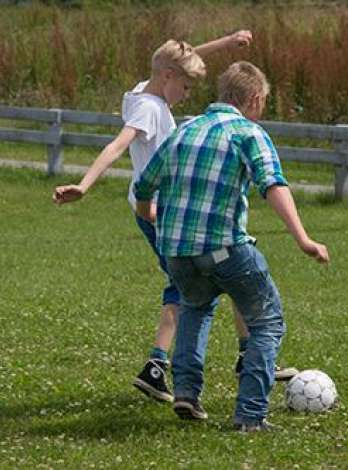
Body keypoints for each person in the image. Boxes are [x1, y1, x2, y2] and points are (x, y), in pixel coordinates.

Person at [52, 34, 297, 404]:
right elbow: (117, 145)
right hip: (158, 211)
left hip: (166, 209)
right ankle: (164, 365)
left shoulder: (140, 91)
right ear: (166, 77)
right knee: (202, 280)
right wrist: (84, 185)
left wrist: (228, 42)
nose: (186, 95)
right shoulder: (148, 109)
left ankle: (233, 355)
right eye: (184, 86)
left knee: (219, 269)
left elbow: (181, 57)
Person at [134, 61, 329, 432]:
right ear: (254, 98)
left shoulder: (184, 130)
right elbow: (273, 185)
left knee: (194, 307)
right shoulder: (247, 132)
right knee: (266, 323)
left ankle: (186, 394)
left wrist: (153, 219)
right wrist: (303, 239)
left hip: (177, 252)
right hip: (224, 250)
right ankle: (250, 415)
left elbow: (144, 186)